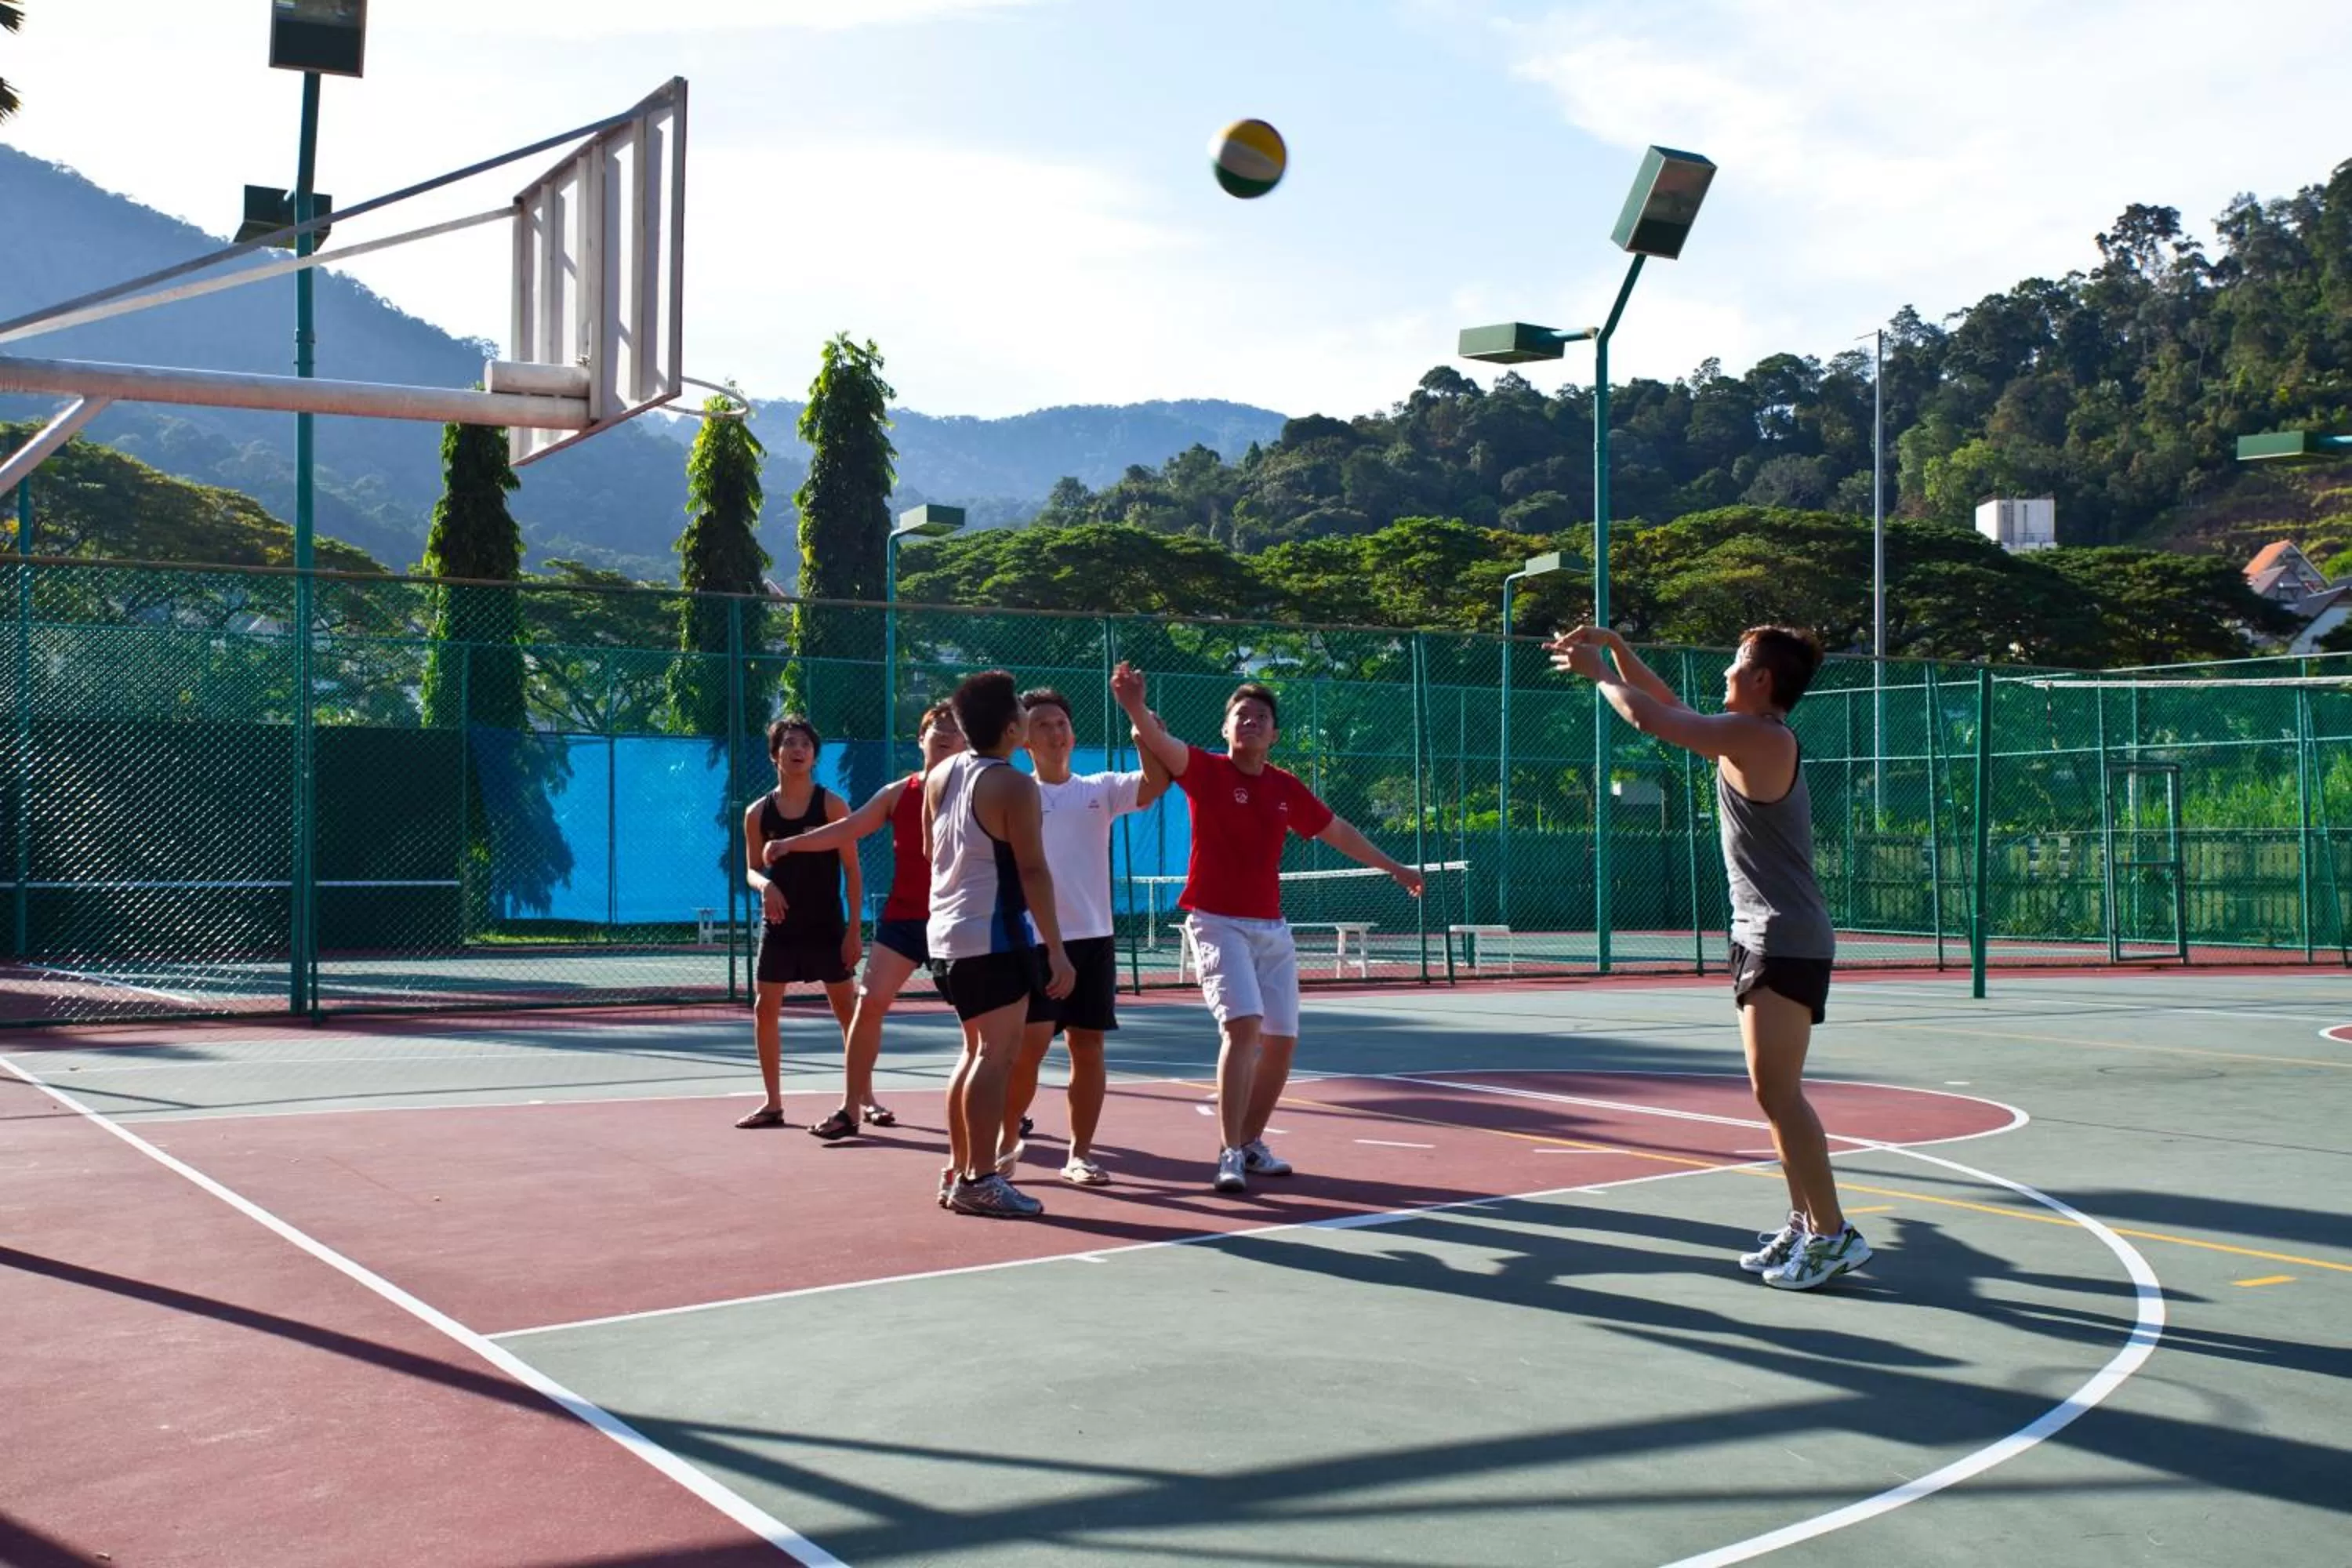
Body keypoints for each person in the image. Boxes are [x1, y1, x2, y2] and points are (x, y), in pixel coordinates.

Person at [1547, 622, 1868, 1291]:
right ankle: (1805, 1222)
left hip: (1786, 936)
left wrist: (1599, 673)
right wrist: (1618, 650)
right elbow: (1670, 708)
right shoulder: (1744, 734)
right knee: (1771, 1095)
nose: (1725, 671)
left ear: (1762, 680)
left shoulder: (1765, 738)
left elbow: (1654, 719)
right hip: (1760, 933)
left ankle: (1834, 1234)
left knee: (1779, 1093)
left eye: (1737, 663)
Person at [1112, 662, 1424, 1194]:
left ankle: (1251, 1143)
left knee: (1281, 1041)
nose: (1251, 721)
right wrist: (1133, 704)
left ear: (1274, 734)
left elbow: (1337, 831)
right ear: (1225, 729)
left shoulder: (1285, 787)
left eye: (1260, 716)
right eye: (1241, 715)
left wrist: (1394, 867)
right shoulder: (1206, 771)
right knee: (1244, 1026)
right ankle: (1229, 1152)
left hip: (1271, 929)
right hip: (1216, 922)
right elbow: (1159, 742)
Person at [760, 699, 964, 1141]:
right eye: (939, 727)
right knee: (869, 1004)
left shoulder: (982, 790)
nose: (949, 734)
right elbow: (847, 829)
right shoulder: (897, 793)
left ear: (969, 743)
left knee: (980, 1022)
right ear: (921, 739)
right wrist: (791, 844)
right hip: (904, 919)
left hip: (961, 919)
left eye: (958, 729)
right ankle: (850, 1109)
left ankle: (1003, 1107)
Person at [996, 684, 1170, 1186]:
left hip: (1094, 939)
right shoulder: (1016, 793)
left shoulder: (1100, 788)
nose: (1055, 733)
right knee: (1027, 1050)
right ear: (1024, 739)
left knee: (1088, 1046)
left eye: (1061, 724)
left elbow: (1155, 783)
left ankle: (1080, 1155)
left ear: (1072, 734)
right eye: (1043, 725)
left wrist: (1143, 734)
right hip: (1033, 941)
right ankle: (1004, 1143)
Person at [926, 670, 1075, 1218]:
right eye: (1021, 708)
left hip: (946, 935)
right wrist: (1056, 949)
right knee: (996, 1056)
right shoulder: (1014, 785)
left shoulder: (942, 774)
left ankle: (959, 1169)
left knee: (973, 1053)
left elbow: (930, 851)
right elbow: (1033, 870)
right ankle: (980, 1180)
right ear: (1013, 728)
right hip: (991, 937)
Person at [735, 715, 862, 1130]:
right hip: (780, 925)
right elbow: (751, 869)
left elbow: (852, 870)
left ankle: (863, 1098)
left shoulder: (832, 805)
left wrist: (854, 930)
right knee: (765, 1007)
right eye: (789, 743)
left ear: (814, 756)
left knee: (847, 1010)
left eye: (805, 745)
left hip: (826, 924)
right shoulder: (757, 813)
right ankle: (773, 1103)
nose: (798, 750)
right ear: (775, 755)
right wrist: (766, 886)